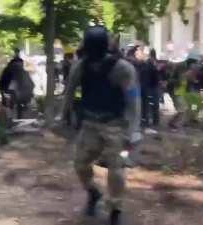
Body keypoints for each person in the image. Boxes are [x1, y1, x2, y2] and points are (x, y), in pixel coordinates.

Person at [58, 26, 141, 225]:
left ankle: (115, 209)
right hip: (90, 124)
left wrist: (132, 130)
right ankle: (93, 192)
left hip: (116, 126)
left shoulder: (122, 68)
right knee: (80, 164)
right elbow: (69, 92)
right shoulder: (81, 66)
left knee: (117, 169)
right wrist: (63, 116)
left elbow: (133, 101)